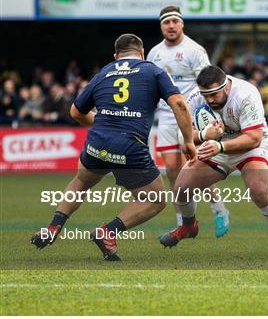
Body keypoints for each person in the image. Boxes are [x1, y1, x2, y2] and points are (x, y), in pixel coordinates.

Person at [30, 34, 196, 261]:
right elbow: (179, 103)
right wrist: (188, 140)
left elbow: (75, 112)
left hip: (96, 143)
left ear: (116, 56)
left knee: (81, 181)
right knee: (156, 199)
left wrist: (100, 124)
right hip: (129, 146)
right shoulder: (153, 70)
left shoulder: (104, 72)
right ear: (142, 52)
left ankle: (53, 227)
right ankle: (108, 232)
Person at [159, 65, 268, 256]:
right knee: (181, 188)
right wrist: (206, 134)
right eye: (206, 95)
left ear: (226, 86)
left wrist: (219, 146)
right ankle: (189, 226)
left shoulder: (246, 93)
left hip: (249, 147)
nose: (209, 99)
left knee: (259, 191)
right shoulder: (196, 96)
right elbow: (184, 137)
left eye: (214, 94)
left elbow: (254, 137)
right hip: (217, 146)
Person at [147, 6, 230, 238]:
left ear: (182, 24)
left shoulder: (194, 50)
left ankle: (218, 208)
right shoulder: (154, 53)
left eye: (175, 21)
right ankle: (184, 221)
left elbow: (208, 82)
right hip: (165, 116)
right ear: (161, 26)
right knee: (173, 170)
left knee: (192, 167)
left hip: (190, 115)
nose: (171, 26)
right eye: (166, 22)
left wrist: (207, 115)